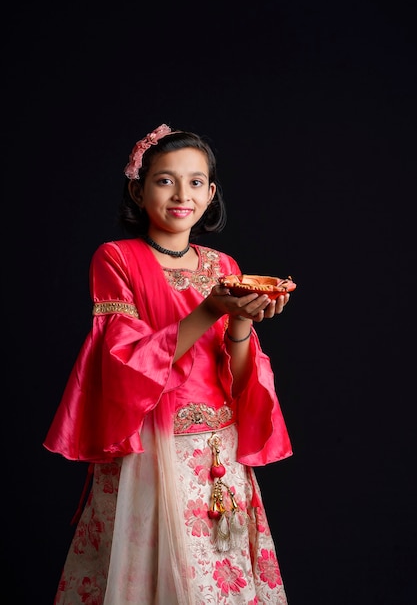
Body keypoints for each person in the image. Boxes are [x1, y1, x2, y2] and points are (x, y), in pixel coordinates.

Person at [44, 123, 294, 605]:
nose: (183, 194)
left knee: (216, 584)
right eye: (165, 180)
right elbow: (124, 366)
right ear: (138, 190)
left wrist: (241, 322)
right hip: (149, 453)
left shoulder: (224, 267)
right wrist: (212, 310)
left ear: (211, 192)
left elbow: (240, 381)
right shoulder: (117, 259)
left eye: (196, 181)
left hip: (215, 456)